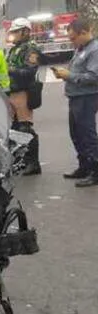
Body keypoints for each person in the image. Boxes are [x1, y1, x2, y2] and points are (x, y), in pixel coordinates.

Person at [53, 18, 98, 187]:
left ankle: (95, 170)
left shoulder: (94, 50)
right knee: (76, 134)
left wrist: (68, 75)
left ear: (84, 32)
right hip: (76, 96)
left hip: (87, 96)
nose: (72, 42)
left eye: (73, 38)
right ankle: (84, 166)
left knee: (87, 135)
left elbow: (94, 77)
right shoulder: (81, 49)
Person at [6, 17, 42, 175]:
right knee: (14, 128)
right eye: (12, 32)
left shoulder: (31, 49)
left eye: (16, 31)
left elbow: (30, 71)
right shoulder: (14, 49)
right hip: (12, 91)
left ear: (25, 31)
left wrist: (10, 70)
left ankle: (33, 163)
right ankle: (20, 160)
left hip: (24, 91)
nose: (13, 35)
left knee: (25, 128)